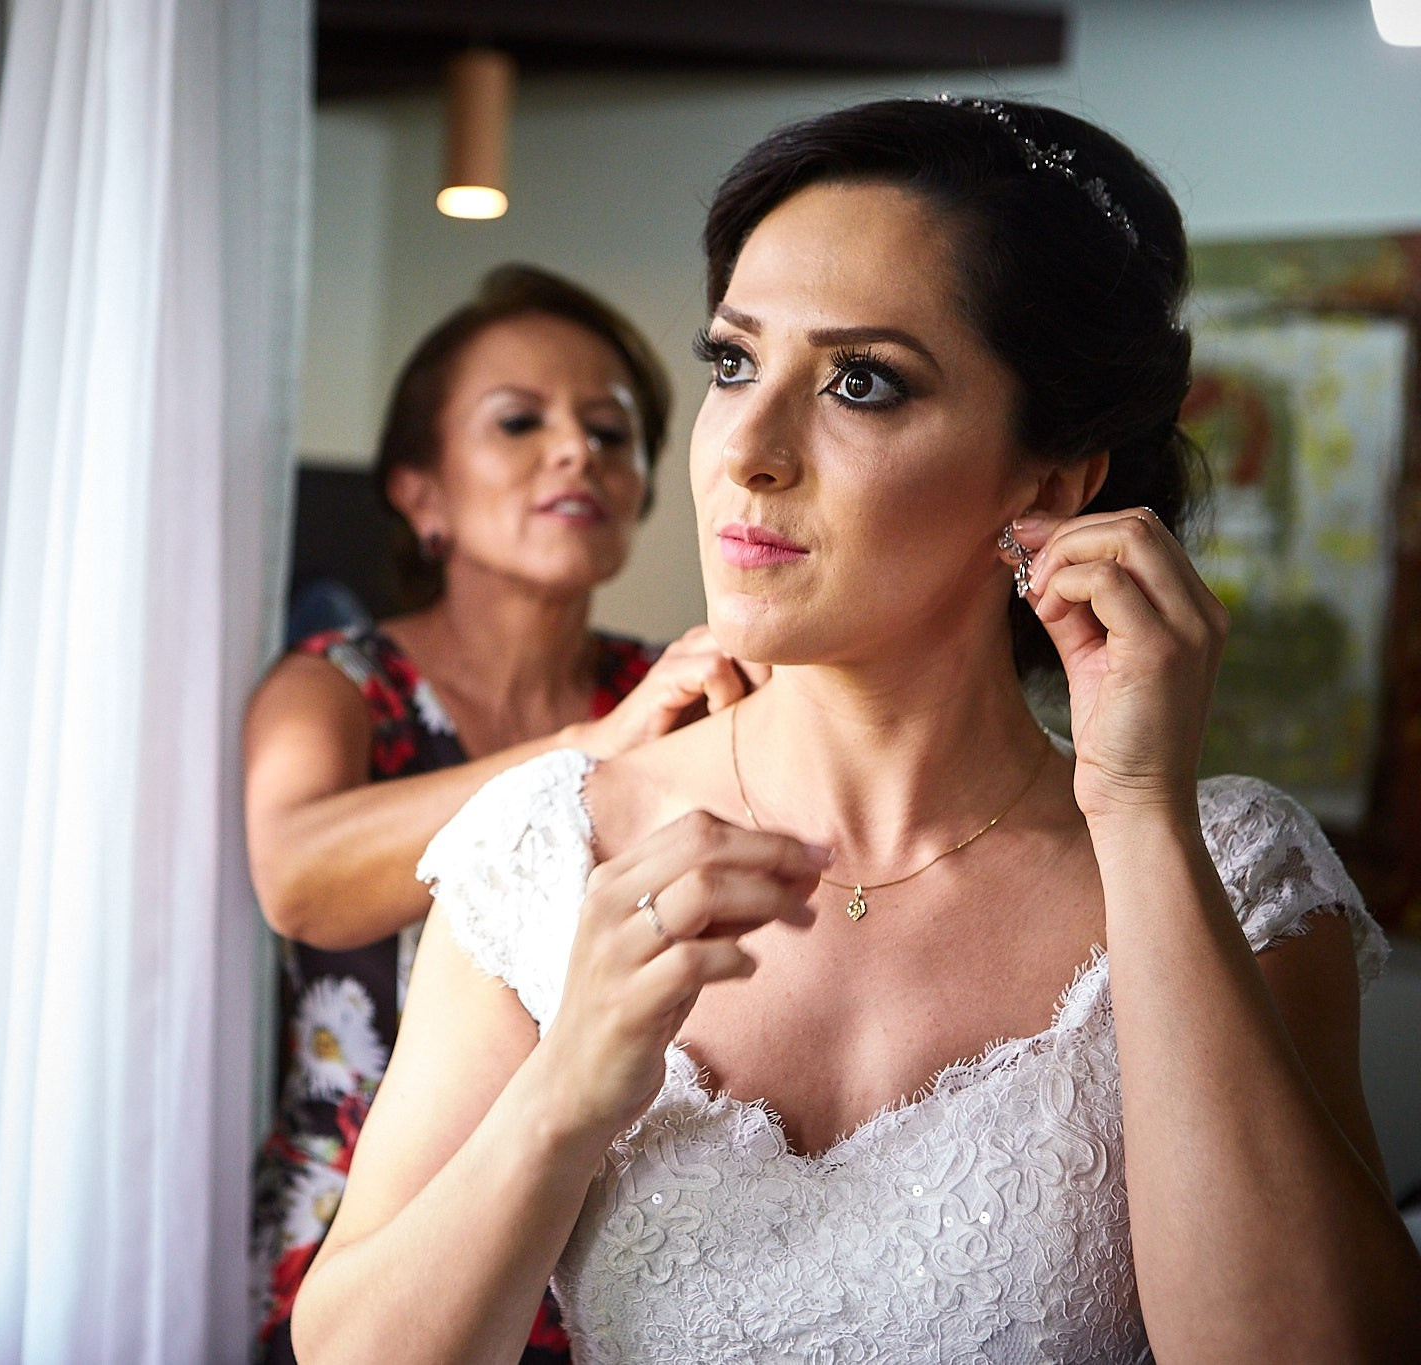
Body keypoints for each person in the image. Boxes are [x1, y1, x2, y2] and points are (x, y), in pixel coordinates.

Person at [293, 99, 1421, 1363]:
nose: (747, 453)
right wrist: (564, 1096)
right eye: (732, 362)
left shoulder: (1227, 869)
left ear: (1048, 482)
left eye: (860, 382)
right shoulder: (549, 851)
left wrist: (1139, 818)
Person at [245, 265, 759, 1361]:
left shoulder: (684, 687)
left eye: (610, 433)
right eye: (519, 422)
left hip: (612, 1262)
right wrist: (589, 747)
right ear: (419, 490)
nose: (576, 451)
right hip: (363, 1257)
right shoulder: (332, 686)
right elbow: (298, 879)